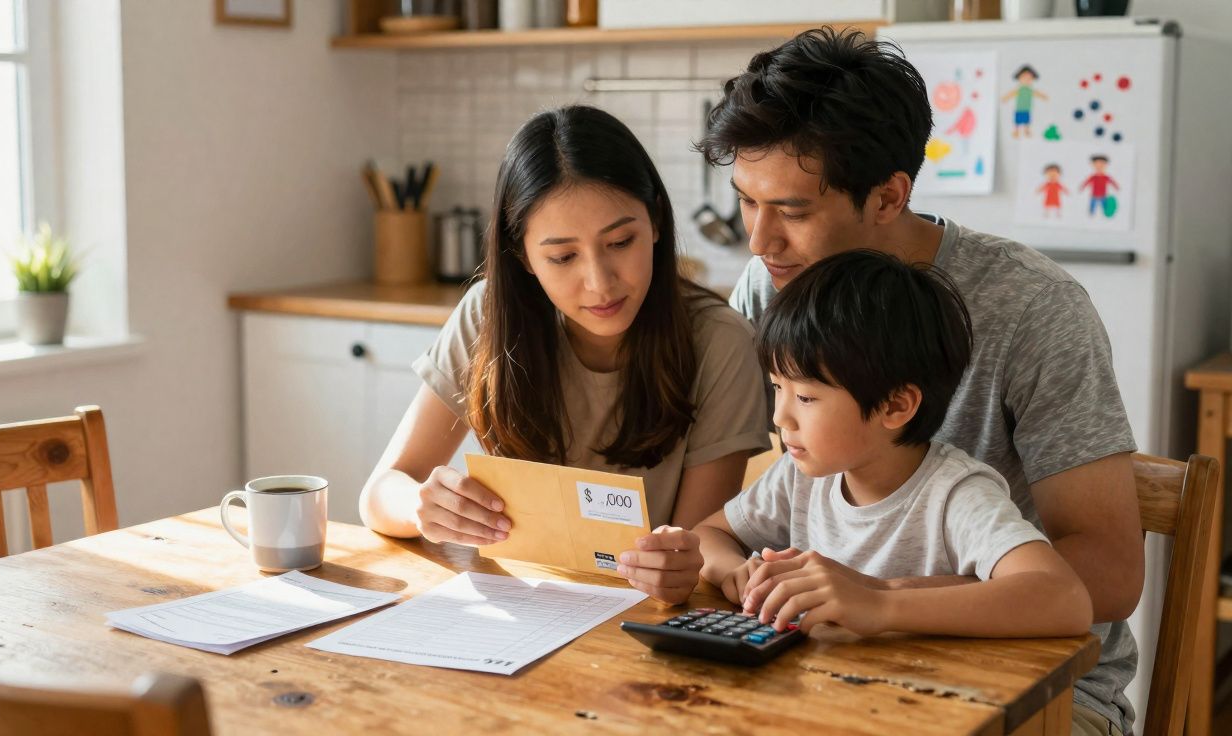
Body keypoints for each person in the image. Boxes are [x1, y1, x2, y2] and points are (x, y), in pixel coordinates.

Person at [697, 27, 1141, 735]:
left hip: (1040, 685)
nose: (759, 241)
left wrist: (878, 595)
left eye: (793, 210)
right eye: (747, 201)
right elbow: (754, 506)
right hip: (835, 656)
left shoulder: (1030, 308)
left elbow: (1112, 579)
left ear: (888, 196)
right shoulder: (771, 284)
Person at [359, 105, 771, 605]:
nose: (599, 282)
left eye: (621, 241)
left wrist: (679, 566)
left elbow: (696, 548)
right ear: (522, 255)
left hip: (639, 618)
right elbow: (379, 494)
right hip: (512, 602)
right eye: (562, 256)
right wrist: (420, 506)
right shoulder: (487, 316)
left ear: (657, 221)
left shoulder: (720, 342)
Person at [696, 249, 1093, 641]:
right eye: (777, 387)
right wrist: (735, 570)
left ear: (895, 405)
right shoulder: (799, 477)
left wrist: (880, 603)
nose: (780, 417)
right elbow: (708, 535)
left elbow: (1066, 599)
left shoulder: (956, 494)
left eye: (806, 398)